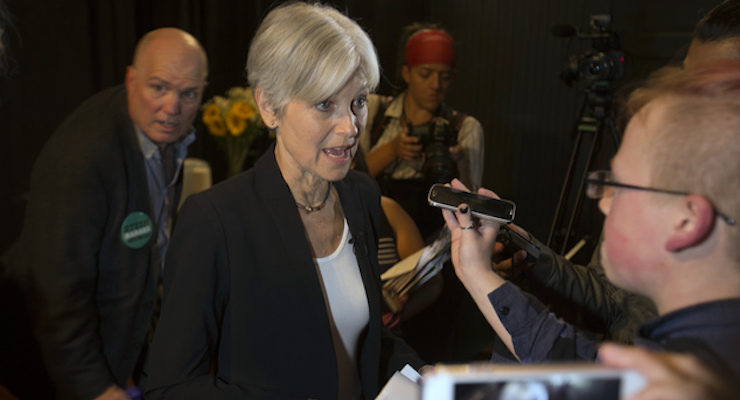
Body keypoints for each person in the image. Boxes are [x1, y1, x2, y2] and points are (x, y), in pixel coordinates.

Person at [144, 3, 425, 399]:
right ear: (269, 107)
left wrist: (422, 374)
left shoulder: (362, 195)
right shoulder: (215, 221)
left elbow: (365, 339)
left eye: (358, 101)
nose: (350, 128)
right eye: (325, 104)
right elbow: (169, 388)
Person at [442, 60, 740, 378]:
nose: (603, 203)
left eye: (620, 186)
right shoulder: (687, 350)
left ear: (686, 222)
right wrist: (477, 273)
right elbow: (584, 362)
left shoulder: (686, 382)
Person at [491, 0, 740, 346]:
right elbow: (612, 299)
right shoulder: (653, 165)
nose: (684, 97)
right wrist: (534, 260)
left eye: (711, 87)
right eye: (686, 75)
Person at [3, 28, 208, 400]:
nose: (172, 107)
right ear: (131, 80)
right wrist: (95, 388)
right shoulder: (82, 162)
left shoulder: (157, 131)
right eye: (158, 88)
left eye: (188, 94)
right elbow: (57, 293)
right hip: (48, 358)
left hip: (108, 343)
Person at [359, 22, 484, 240]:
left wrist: (459, 162)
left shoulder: (465, 128)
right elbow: (347, 181)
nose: (436, 85)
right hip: (377, 234)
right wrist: (393, 150)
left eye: (445, 77)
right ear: (407, 73)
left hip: (437, 240)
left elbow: (473, 211)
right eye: (426, 74)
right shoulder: (373, 110)